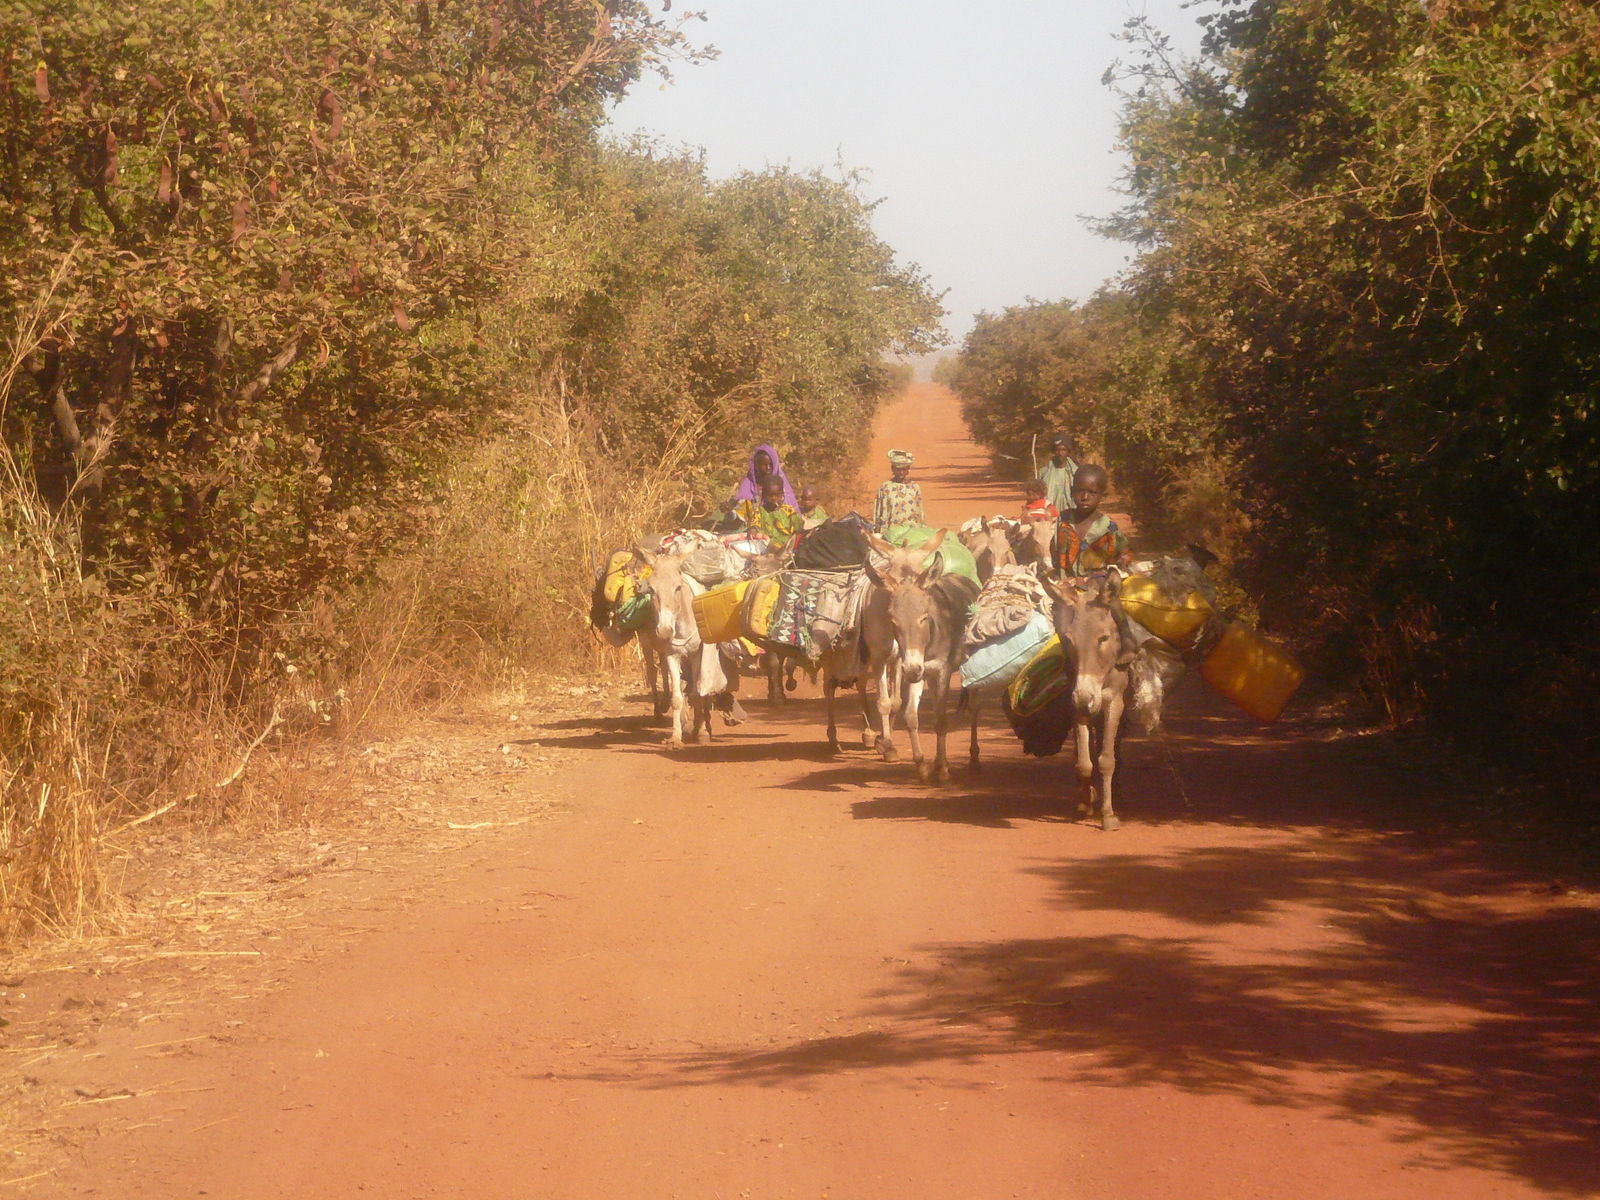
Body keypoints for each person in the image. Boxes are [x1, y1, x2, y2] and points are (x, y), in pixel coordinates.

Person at [1056, 464, 1131, 576]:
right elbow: (1052, 549)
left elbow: (1124, 552)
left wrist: (1121, 563)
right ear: (1072, 491)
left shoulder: (1108, 527)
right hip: (1064, 583)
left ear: (1103, 495)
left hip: (1097, 584)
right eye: (1080, 491)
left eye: (1092, 492)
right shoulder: (1062, 520)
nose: (1085, 497)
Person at [732, 476, 803, 551]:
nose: (773, 498)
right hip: (765, 549)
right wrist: (753, 529)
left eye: (776, 495)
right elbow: (755, 524)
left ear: (782, 494)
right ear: (764, 495)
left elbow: (799, 528)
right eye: (770, 495)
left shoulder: (789, 510)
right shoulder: (760, 511)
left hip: (786, 549)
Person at [731, 443, 798, 510]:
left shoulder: (782, 487)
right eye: (764, 465)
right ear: (756, 465)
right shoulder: (748, 486)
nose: (768, 468)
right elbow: (740, 510)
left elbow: (792, 512)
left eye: (770, 464)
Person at [873, 448, 924, 530]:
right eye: (898, 469)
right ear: (892, 469)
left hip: (911, 531)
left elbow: (919, 512)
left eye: (904, 469)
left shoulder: (914, 487)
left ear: (908, 469)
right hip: (891, 532)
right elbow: (880, 512)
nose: (901, 472)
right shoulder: (886, 488)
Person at [1038, 437, 1079, 514]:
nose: (1060, 453)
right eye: (1057, 450)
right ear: (1054, 451)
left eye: (1063, 450)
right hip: (1048, 514)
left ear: (1068, 451)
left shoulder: (1076, 472)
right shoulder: (1044, 472)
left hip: (1070, 513)